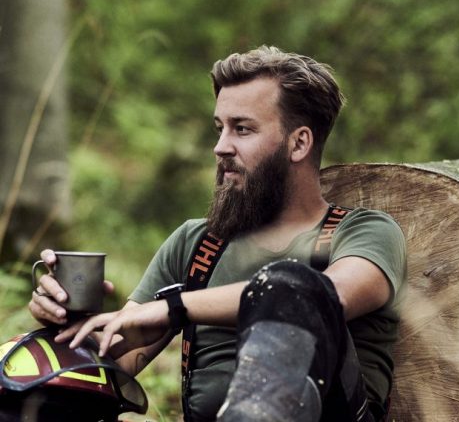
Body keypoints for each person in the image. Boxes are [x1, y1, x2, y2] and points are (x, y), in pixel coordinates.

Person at [28, 46, 407, 422]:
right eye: (219, 128)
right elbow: (112, 365)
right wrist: (71, 330)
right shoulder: (196, 244)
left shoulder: (363, 232)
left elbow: (318, 297)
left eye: (242, 129)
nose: (221, 147)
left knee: (290, 285)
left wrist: (175, 307)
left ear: (299, 142)